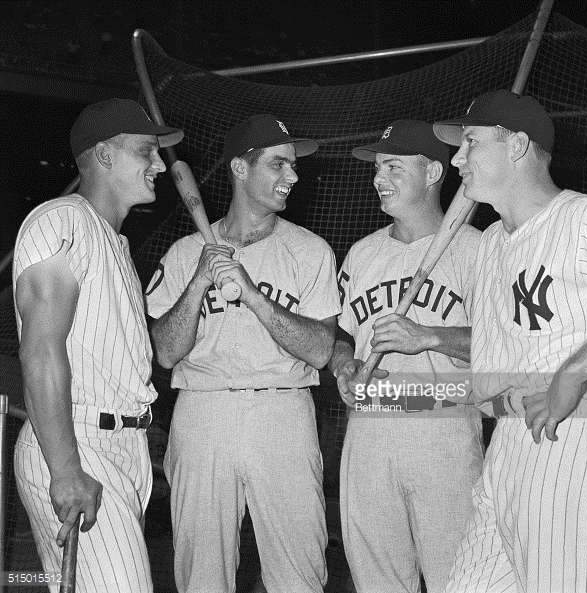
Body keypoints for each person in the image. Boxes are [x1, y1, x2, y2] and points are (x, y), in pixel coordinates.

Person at [145, 113, 341, 593]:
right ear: (240, 168)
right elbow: (165, 354)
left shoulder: (310, 250)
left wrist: (254, 296)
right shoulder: (185, 251)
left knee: (299, 573)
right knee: (201, 574)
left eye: (293, 166)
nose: (291, 177)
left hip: (283, 411)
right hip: (202, 412)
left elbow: (321, 350)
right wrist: (198, 282)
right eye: (278, 165)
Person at [12, 98, 183, 593]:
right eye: (146, 151)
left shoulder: (116, 243)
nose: (158, 165)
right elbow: (40, 349)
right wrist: (64, 468)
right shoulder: (63, 219)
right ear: (104, 155)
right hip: (77, 440)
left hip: (122, 445)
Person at [433, 89, 587, 592]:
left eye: (471, 143)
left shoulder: (583, 218)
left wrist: (575, 371)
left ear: (518, 146)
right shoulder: (489, 246)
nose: (458, 159)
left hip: (568, 434)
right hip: (505, 443)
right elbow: (489, 362)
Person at [327, 119, 484, 593]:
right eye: (377, 168)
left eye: (393, 167)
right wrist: (343, 365)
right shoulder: (361, 253)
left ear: (434, 171)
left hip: (443, 424)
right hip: (370, 428)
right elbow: (342, 337)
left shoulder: (480, 250)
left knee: (456, 579)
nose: (379, 178)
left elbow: (504, 347)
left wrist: (430, 337)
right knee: (376, 580)